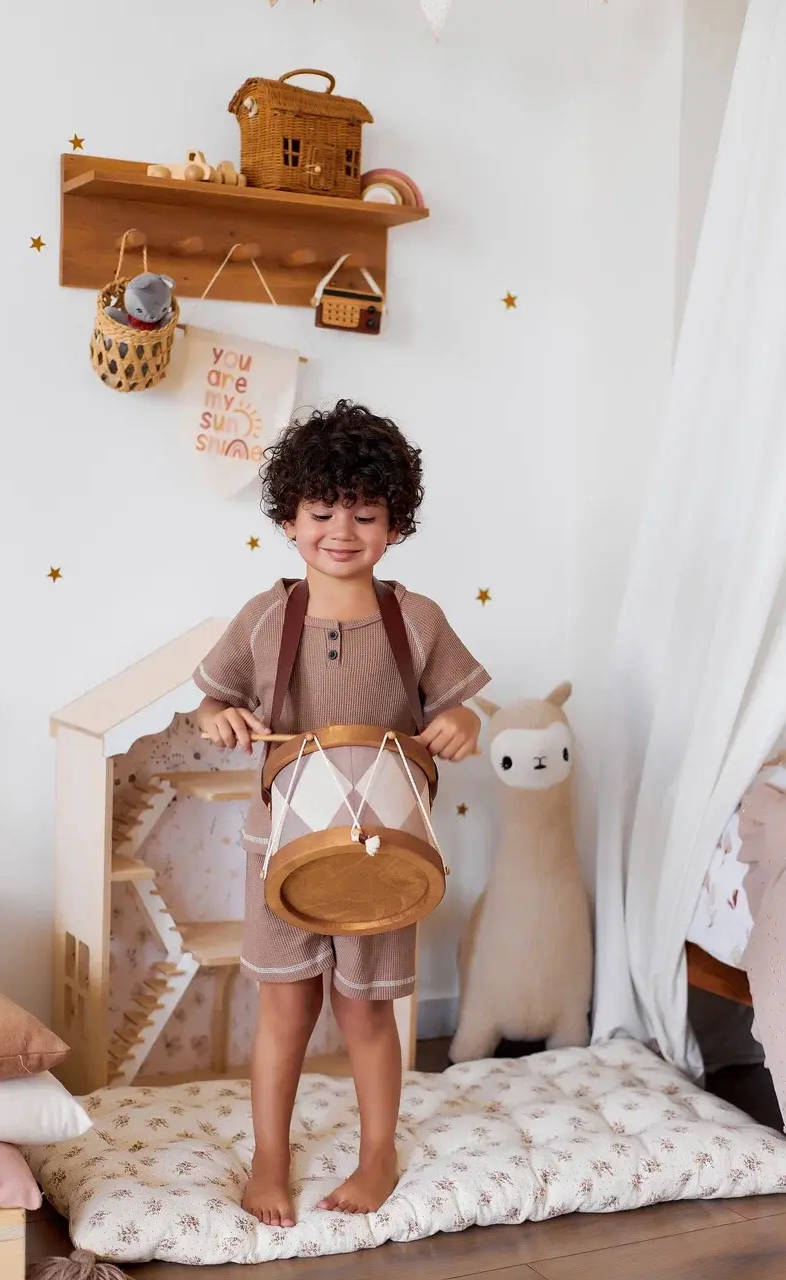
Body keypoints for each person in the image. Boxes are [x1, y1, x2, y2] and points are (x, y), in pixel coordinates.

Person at [195, 401, 489, 1227]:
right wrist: (218, 717)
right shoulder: (264, 616)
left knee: (366, 1009)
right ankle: (269, 1159)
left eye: (364, 514)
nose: (341, 531)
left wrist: (463, 724)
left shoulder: (417, 619)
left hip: (383, 856)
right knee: (285, 1009)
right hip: (280, 853)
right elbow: (212, 701)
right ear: (289, 518)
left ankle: (377, 1153)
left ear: (394, 525)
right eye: (322, 511)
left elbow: (461, 710)